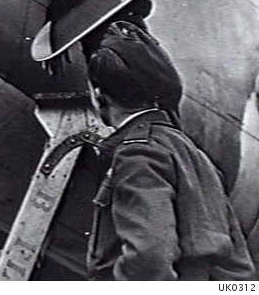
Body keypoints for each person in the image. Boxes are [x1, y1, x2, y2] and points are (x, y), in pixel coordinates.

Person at [85, 22, 255, 280]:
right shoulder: (189, 150)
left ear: (99, 95)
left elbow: (150, 256)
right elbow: (236, 256)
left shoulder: (138, 153)